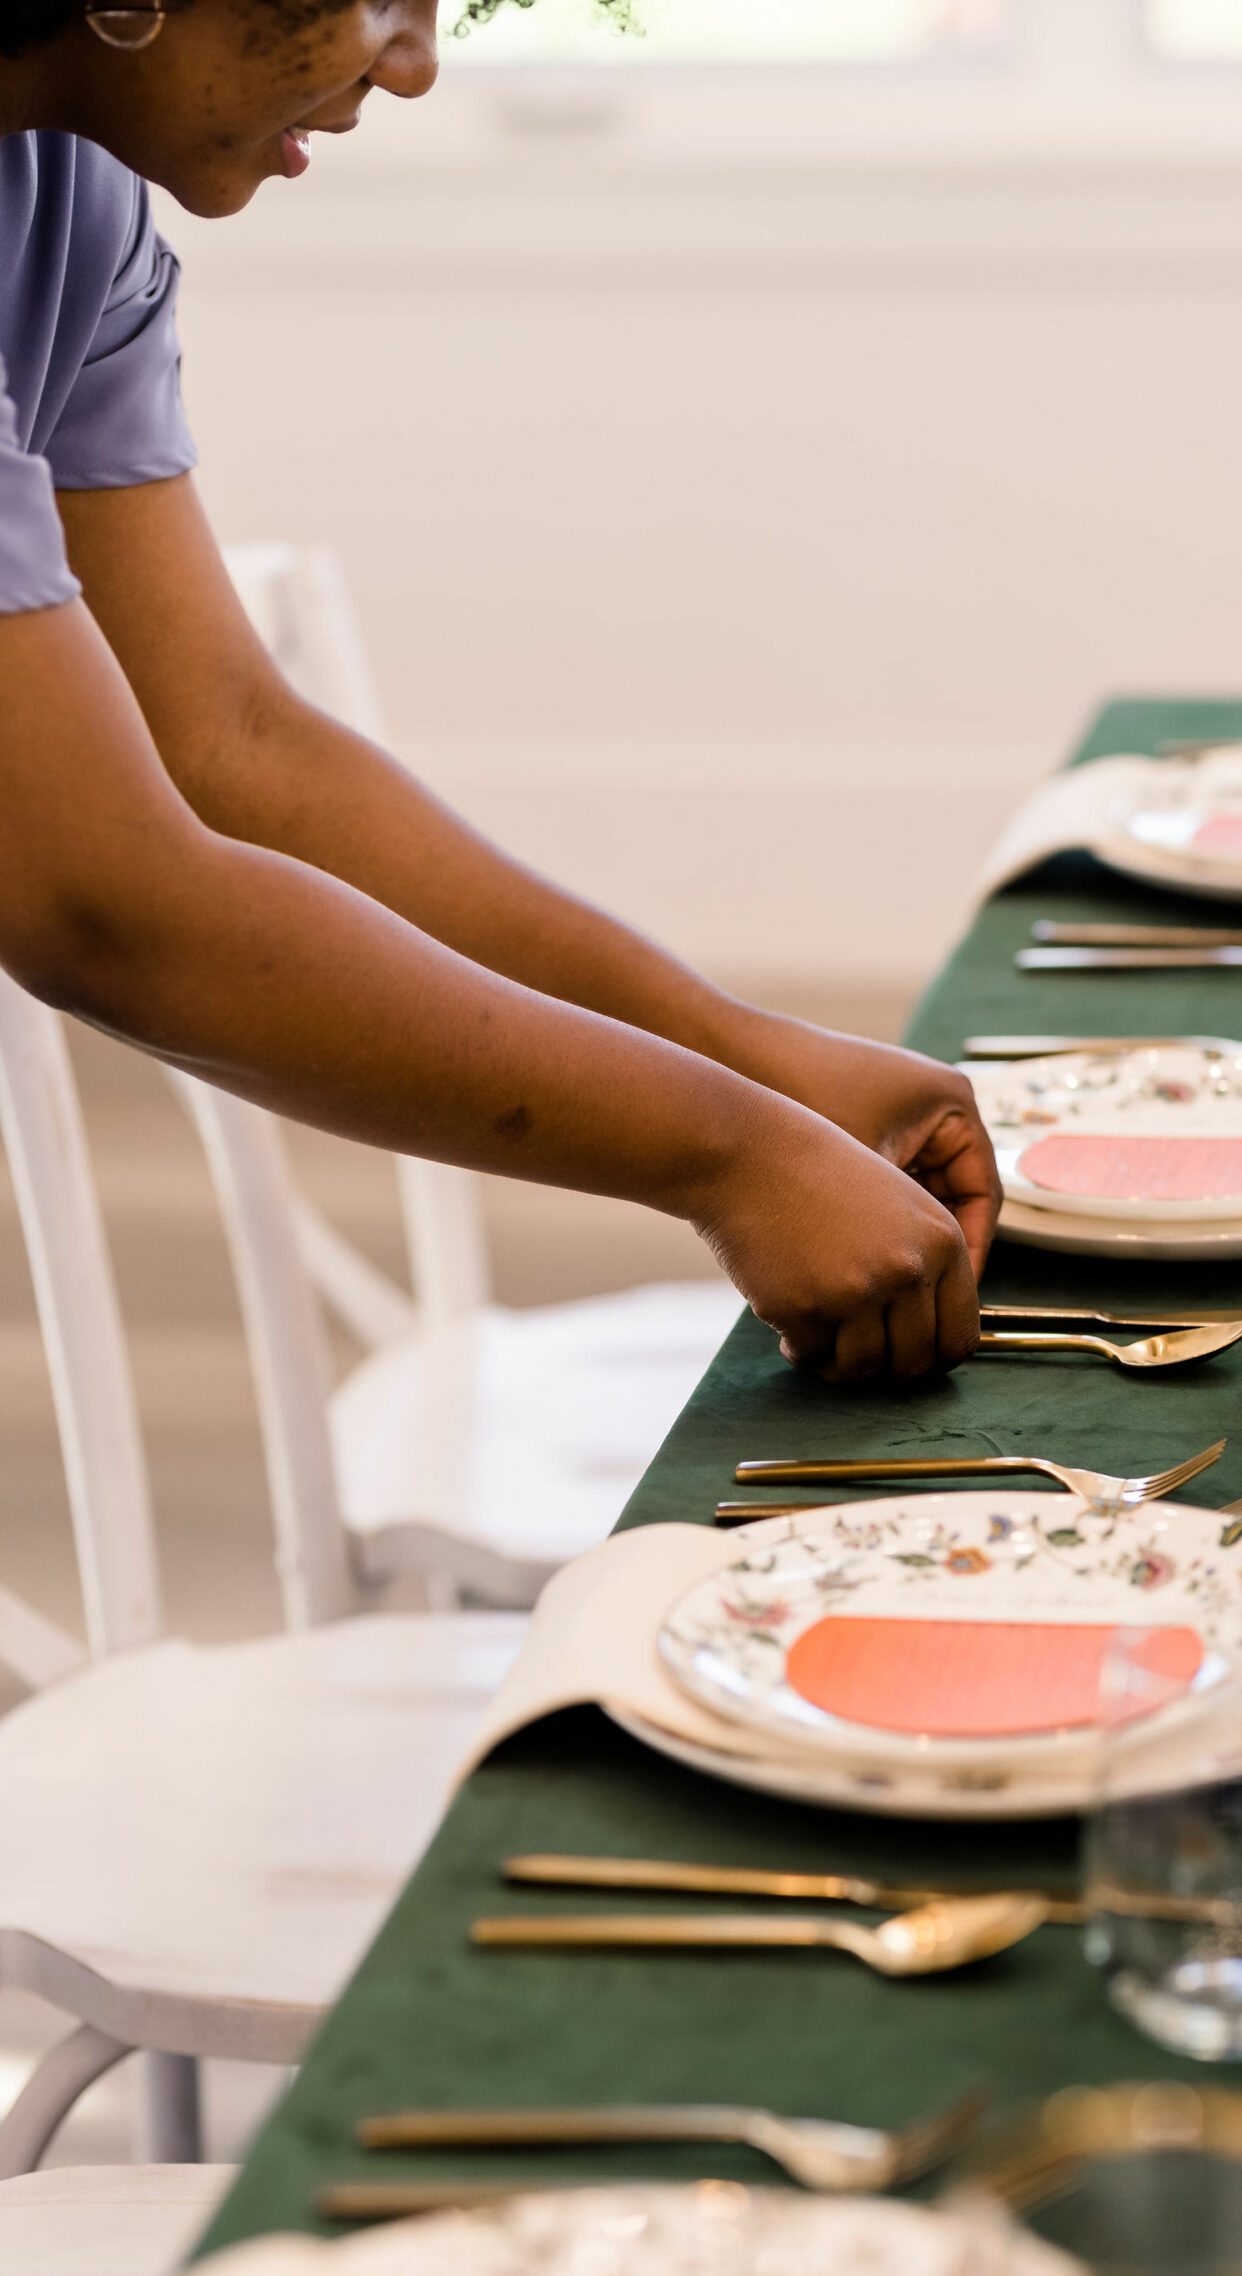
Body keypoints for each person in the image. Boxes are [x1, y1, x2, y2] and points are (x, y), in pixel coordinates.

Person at [0, 0, 1000, 1385]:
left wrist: (742, 1055)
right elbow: (103, 902)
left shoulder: (75, 187)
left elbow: (226, 742)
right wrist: (724, 1150)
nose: (411, 65)